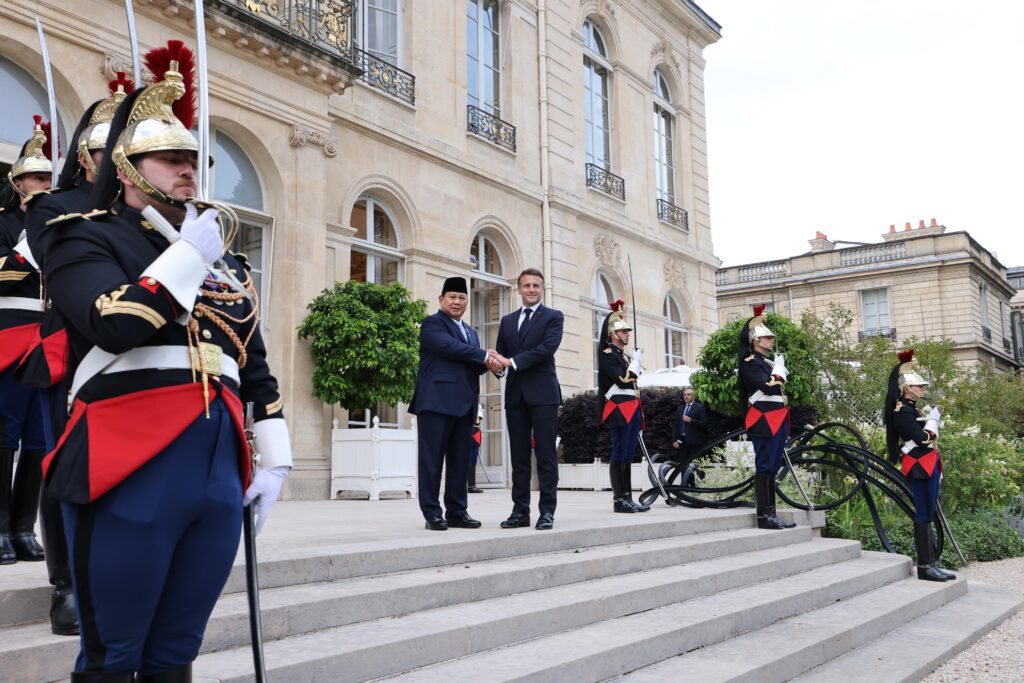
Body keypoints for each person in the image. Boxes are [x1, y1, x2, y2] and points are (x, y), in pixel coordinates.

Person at [42, 41, 293, 680]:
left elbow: (251, 361)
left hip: (215, 470)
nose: (188, 170)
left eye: (192, 159)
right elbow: (114, 323)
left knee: (176, 654)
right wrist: (187, 258)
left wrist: (277, 458)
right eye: (170, 159)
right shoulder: (83, 234)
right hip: (126, 458)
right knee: (113, 656)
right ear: (127, 168)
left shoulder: (220, 259)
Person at [15, 78, 131, 638]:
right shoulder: (53, 207)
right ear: (86, 156)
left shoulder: (138, 210)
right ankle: (65, 584)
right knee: (66, 467)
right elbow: (50, 258)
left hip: (132, 346)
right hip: (74, 348)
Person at [0, 117, 52, 566]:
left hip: (47, 340)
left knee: (39, 438)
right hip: (8, 335)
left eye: (49, 178)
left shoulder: (60, 226)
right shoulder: (4, 225)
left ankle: (23, 526)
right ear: (18, 183)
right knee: (4, 436)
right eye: (36, 177)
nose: (44, 184)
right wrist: (28, 247)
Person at [408, 276, 495, 531]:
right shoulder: (432, 324)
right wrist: (484, 355)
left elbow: (473, 365)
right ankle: (432, 513)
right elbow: (448, 348)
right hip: (435, 403)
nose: (457, 302)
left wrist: (492, 365)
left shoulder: (470, 332)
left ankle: (457, 512)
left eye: (461, 298)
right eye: (452, 297)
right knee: (431, 460)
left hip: (464, 405)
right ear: (441, 300)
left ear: (467, 301)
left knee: (459, 461)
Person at [491, 268, 563, 531]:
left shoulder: (553, 317)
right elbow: (502, 353)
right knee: (519, 458)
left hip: (544, 395)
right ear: (518, 289)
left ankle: (547, 512)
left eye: (536, 285)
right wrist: (496, 365)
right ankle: (520, 511)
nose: (531, 289)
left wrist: (511, 362)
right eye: (526, 285)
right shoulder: (507, 321)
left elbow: (546, 350)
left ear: (542, 288)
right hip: (515, 396)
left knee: (545, 457)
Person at [884, 349, 955, 582]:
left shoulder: (913, 409)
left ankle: (931, 562)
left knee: (928, 511)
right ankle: (925, 566)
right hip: (918, 465)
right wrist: (933, 420)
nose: (924, 389)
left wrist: (931, 419)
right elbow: (923, 438)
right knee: (923, 513)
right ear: (907, 389)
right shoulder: (902, 411)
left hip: (927, 463)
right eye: (920, 386)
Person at [738, 305, 796, 530]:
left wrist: (777, 368)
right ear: (756, 341)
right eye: (767, 338)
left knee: (772, 466)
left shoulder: (768, 364)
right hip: (763, 420)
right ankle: (764, 515)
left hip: (777, 419)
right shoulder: (750, 363)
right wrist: (779, 370)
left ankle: (772, 513)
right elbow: (770, 388)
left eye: (771, 338)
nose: (771, 341)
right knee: (765, 466)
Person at [597, 301, 649, 513]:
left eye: (627, 331)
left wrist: (632, 362)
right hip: (618, 408)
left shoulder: (622, 356)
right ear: (612, 333)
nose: (627, 334)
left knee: (628, 453)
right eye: (623, 331)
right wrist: (635, 364)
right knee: (619, 452)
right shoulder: (607, 354)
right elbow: (622, 381)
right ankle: (619, 500)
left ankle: (628, 497)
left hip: (631, 407)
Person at [671, 387, 708, 485]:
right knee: (683, 465)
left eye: (688, 394)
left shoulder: (699, 407)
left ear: (693, 396)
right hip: (682, 441)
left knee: (697, 464)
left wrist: (690, 420)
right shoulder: (680, 408)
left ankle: (700, 485)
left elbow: (704, 424)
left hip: (695, 441)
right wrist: (674, 440)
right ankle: (685, 486)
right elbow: (675, 425)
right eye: (685, 395)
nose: (686, 396)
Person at [467, 404, 484, 493]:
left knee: (473, 462)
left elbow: (478, 421)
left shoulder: (478, 406)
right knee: (469, 461)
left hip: (475, 435)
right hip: (469, 435)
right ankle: (470, 485)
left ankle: (472, 485)